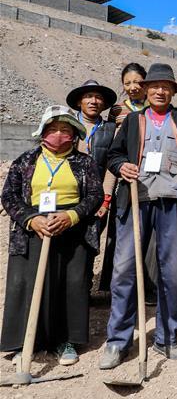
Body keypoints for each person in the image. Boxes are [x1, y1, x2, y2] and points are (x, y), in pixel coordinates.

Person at [101, 63, 177, 369]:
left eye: (166, 86)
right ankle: (118, 341)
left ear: (173, 91)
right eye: (155, 86)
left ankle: (167, 337)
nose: (160, 91)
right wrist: (121, 166)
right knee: (124, 269)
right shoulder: (133, 121)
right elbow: (113, 155)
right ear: (146, 90)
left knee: (171, 271)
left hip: (174, 202)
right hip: (137, 201)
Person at [1, 106, 103, 366]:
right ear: (43, 133)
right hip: (33, 228)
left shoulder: (85, 163)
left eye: (65, 130)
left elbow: (94, 196)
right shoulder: (25, 161)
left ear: (74, 135)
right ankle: (27, 342)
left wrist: (71, 216)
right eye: (53, 129)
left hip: (72, 230)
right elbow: (9, 196)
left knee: (69, 284)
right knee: (29, 283)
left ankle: (65, 341)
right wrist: (30, 219)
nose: (59, 135)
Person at [100, 63, 150, 294]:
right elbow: (112, 147)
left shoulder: (156, 108)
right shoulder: (117, 111)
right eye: (127, 83)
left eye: (137, 82)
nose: (132, 87)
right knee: (120, 233)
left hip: (149, 179)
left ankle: (146, 285)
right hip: (121, 176)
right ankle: (115, 286)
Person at [66, 79, 118, 219]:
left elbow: (110, 168)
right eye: (88, 96)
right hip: (66, 194)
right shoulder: (66, 126)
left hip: (96, 195)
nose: (93, 101)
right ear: (79, 102)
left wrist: (106, 199)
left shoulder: (112, 130)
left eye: (98, 97)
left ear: (104, 104)